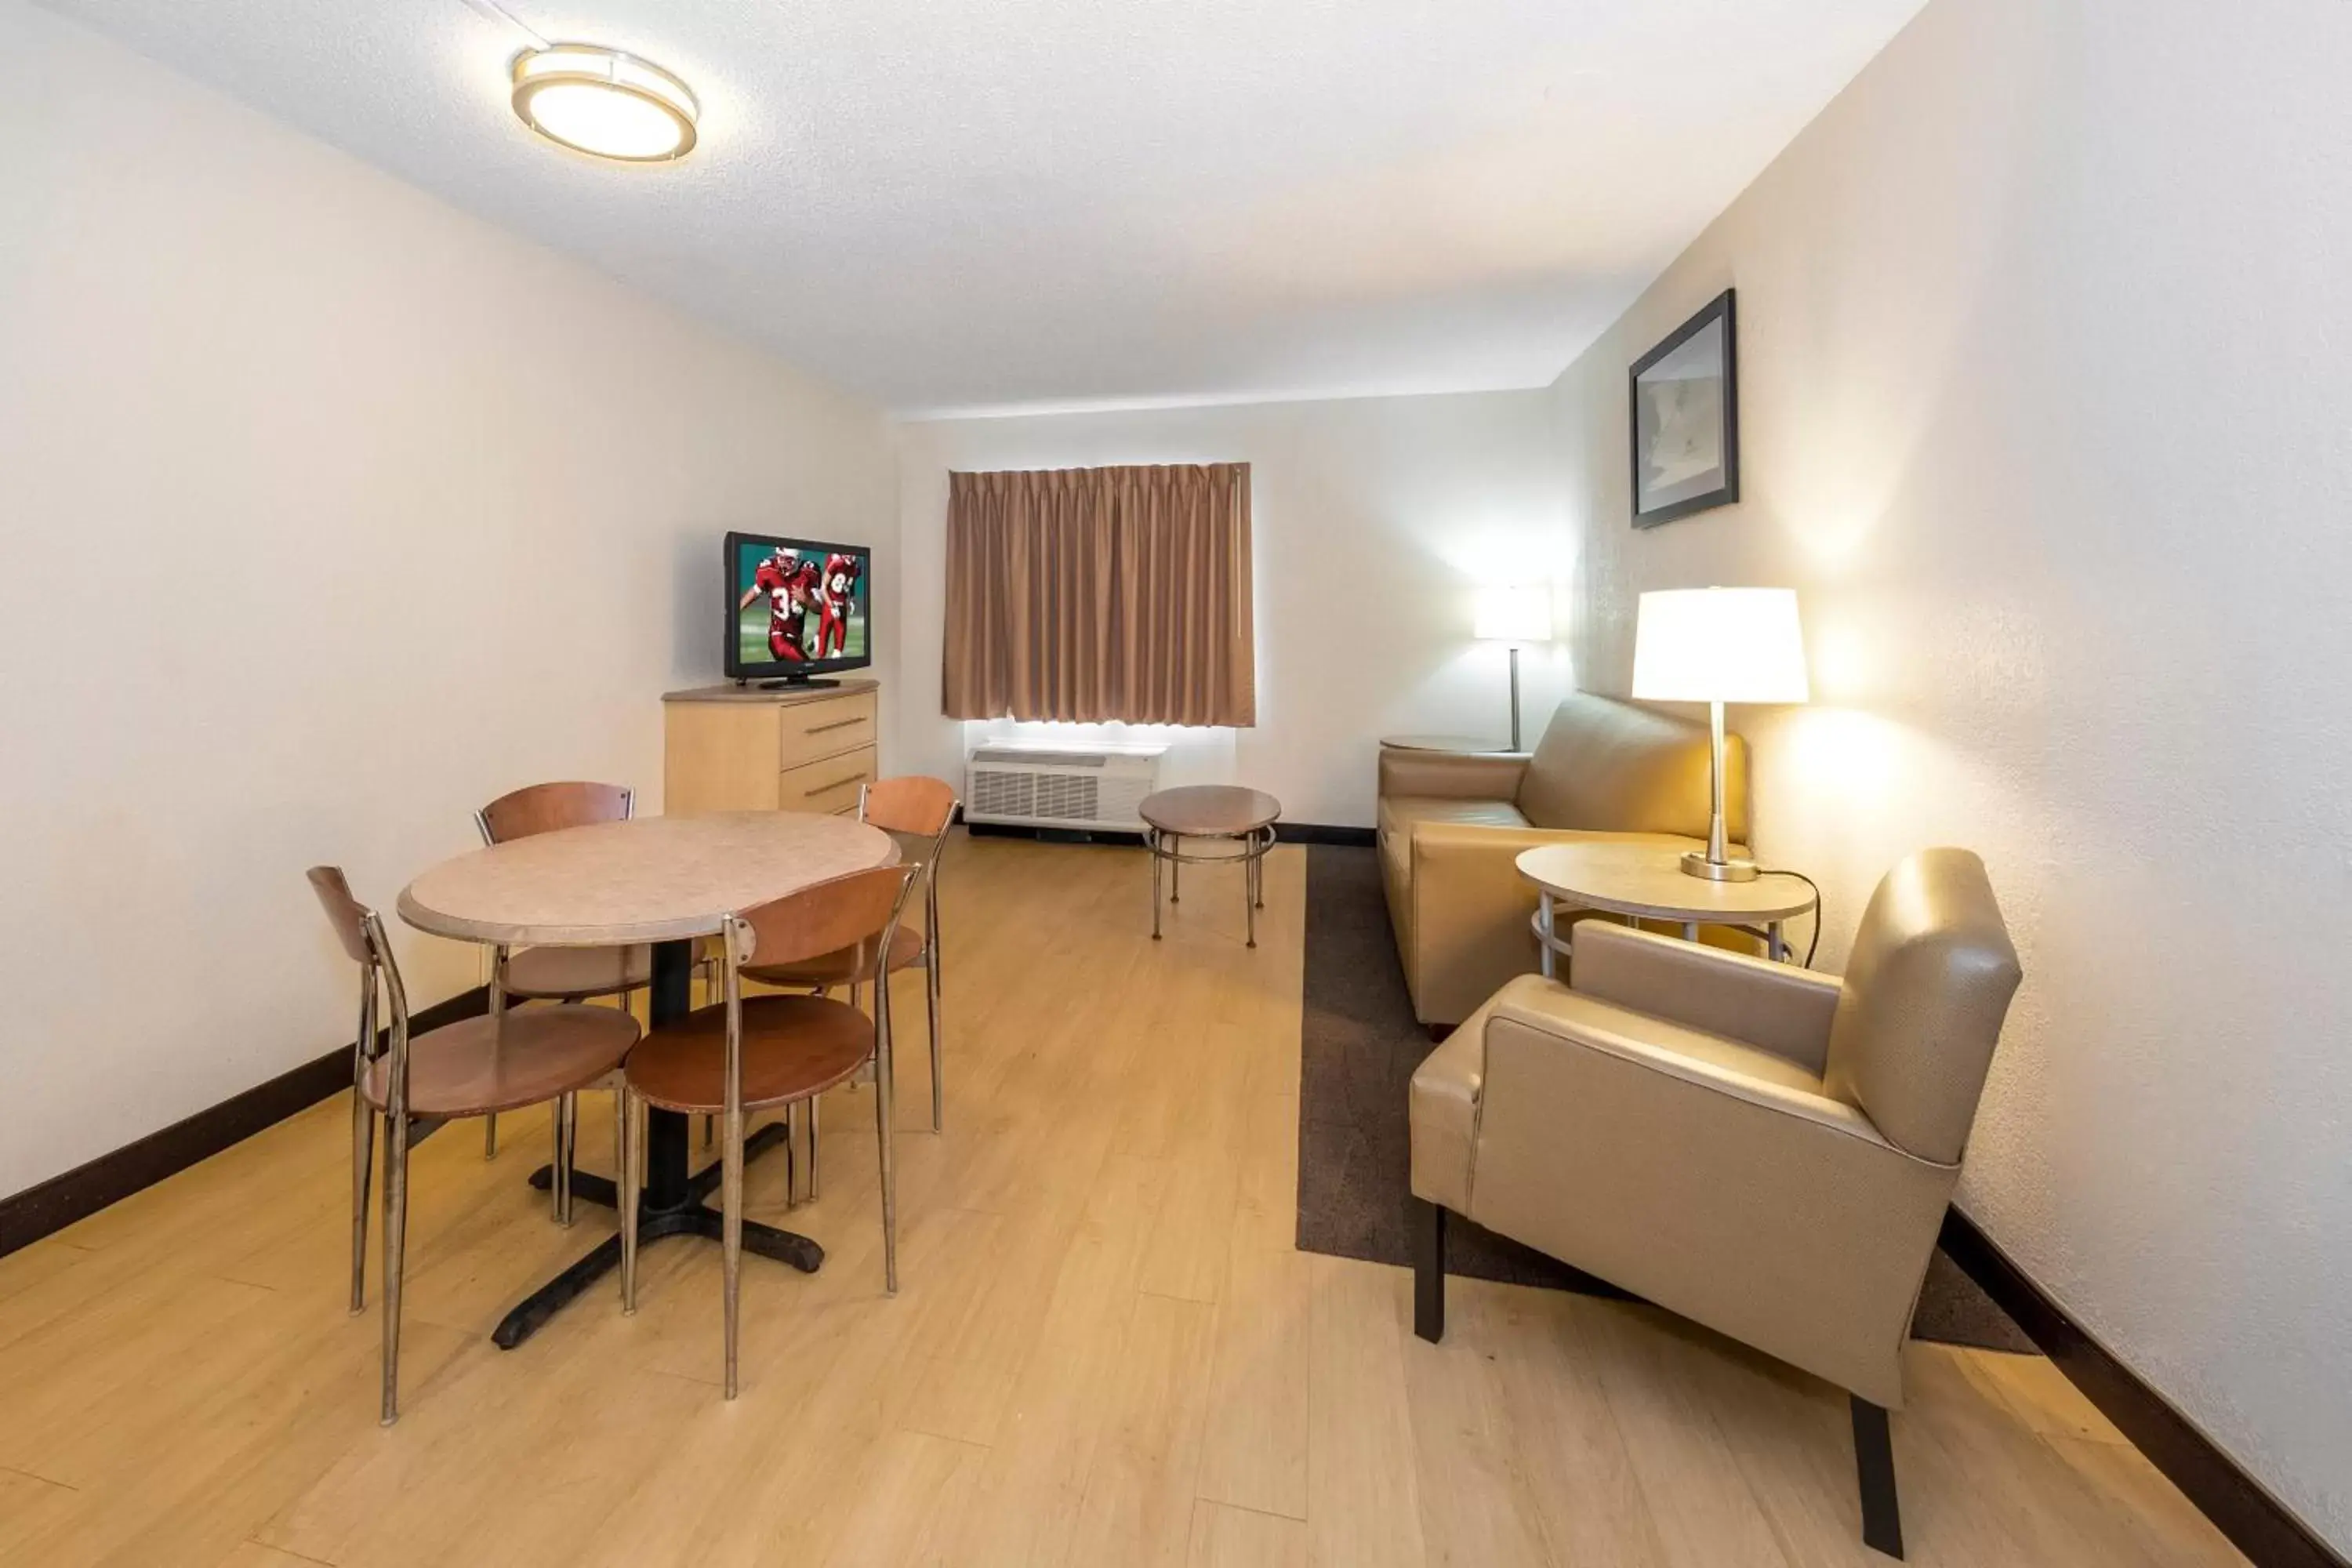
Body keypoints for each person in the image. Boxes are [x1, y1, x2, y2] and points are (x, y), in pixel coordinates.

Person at [739, 548, 819, 662]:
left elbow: (820, 609)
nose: (783, 564)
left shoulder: (808, 573)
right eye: (781, 558)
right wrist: (737, 609)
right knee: (805, 665)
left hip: (796, 638)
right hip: (778, 637)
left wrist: (807, 600)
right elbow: (756, 591)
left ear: (798, 560)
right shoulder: (769, 569)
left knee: (798, 677)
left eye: (789, 560)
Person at [815, 553, 862, 659]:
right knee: (822, 648)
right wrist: (831, 606)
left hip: (842, 606)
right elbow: (823, 588)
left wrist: (852, 599)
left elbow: (850, 582)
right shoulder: (836, 563)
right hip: (830, 604)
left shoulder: (856, 567)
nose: (852, 557)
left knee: (838, 651)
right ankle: (817, 639)